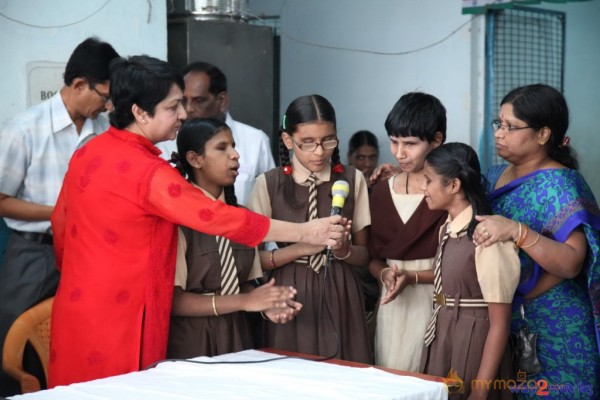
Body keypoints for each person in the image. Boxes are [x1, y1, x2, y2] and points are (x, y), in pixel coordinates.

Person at [48, 56, 345, 388]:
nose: (184, 114)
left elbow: (60, 225)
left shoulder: (87, 152)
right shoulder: (149, 172)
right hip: (124, 321)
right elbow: (215, 217)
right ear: (140, 112)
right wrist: (306, 231)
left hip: (75, 310)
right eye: (173, 106)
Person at [0, 37, 119, 396]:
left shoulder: (104, 131)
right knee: (14, 340)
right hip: (35, 253)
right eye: (104, 95)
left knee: (81, 338)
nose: (107, 105)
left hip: (87, 253)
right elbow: (1, 199)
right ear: (79, 84)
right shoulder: (24, 129)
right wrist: (61, 214)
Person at [473, 83, 600, 397]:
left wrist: (518, 232)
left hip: (556, 327)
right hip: (506, 321)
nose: (499, 133)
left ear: (544, 134)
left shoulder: (561, 184)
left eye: (511, 127)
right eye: (498, 124)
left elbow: (572, 262)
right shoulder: (492, 175)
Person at [248, 94, 372, 363]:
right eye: (308, 143)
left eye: (328, 140)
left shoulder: (352, 179)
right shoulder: (268, 184)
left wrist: (343, 249)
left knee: (346, 376)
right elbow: (251, 260)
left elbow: (365, 256)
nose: (319, 151)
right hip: (289, 295)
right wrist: (303, 247)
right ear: (288, 140)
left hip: (341, 289)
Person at [167, 118, 302, 359]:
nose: (235, 155)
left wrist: (266, 304)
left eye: (234, 146)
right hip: (194, 339)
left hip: (238, 334)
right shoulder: (179, 221)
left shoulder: (241, 218)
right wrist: (244, 301)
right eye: (222, 148)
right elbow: (174, 302)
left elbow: (244, 283)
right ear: (194, 159)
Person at [419, 142, 519, 399]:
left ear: (453, 185)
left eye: (428, 181)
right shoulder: (448, 228)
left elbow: (499, 322)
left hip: (473, 340)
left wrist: (480, 391)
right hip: (444, 331)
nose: (423, 188)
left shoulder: (486, 236)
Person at [368, 92, 447, 372]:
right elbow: (372, 258)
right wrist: (384, 274)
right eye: (394, 141)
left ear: (436, 140)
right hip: (391, 307)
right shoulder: (380, 192)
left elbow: (460, 265)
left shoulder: (450, 193)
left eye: (410, 144)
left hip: (436, 304)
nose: (399, 152)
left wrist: (412, 277)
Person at [156, 61, 275, 205]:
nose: (188, 109)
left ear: (222, 100)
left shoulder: (255, 141)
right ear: (192, 158)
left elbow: (271, 200)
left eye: (199, 100)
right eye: (183, 101)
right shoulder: (166, 143)